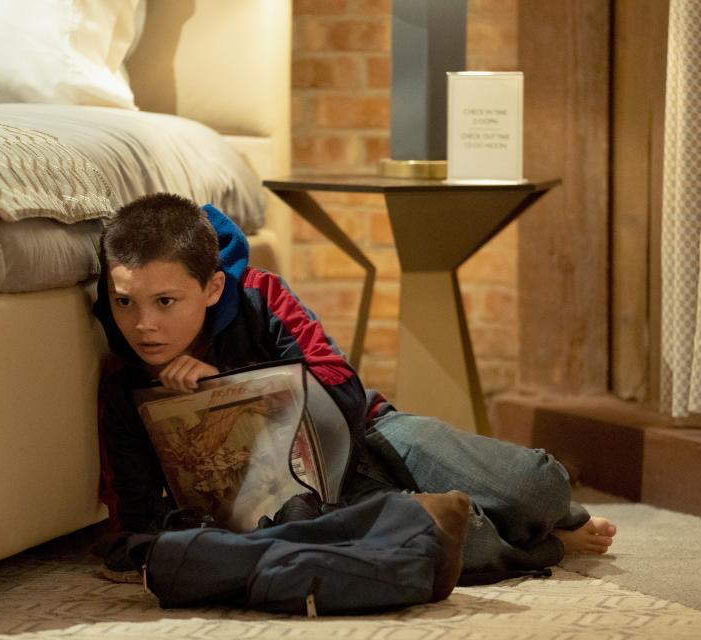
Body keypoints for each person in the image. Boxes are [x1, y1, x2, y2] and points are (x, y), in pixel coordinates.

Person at [92, 193, 614, 603]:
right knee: (456, 545)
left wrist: (226, 389)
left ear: (211, 288)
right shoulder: (125, 385)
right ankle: (544, 543)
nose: (144, 324)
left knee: (540, 487)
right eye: (124, 302)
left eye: (165, 301)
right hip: (311, 501)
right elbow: (129, 527)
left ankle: (546, 515)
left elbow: (338, 384)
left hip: (368, 432)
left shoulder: (259, 295)